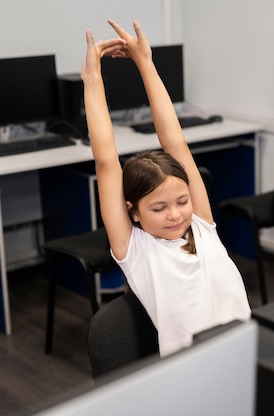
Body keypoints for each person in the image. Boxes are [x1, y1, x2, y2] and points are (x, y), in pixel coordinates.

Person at [81, 19, 251, 357]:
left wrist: (146, 63)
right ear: (134, 213)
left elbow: (175, 143)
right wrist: (92, 77)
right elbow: (106, 161)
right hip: (194, 374)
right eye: (158, 208)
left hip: (246, 352)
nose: (175, 215)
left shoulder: (201, 226)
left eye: (182, 201)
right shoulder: (136, 249)